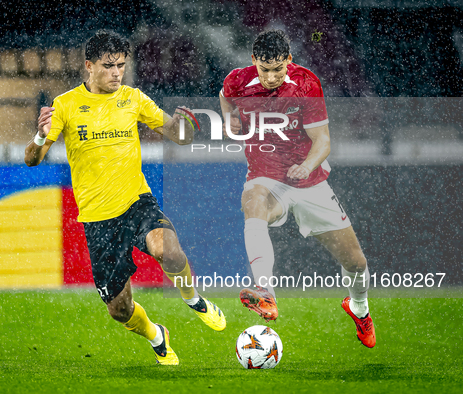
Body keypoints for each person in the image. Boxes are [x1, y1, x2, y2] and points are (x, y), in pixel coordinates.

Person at [25, 30, 226, 365]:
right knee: (120, 310)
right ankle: (156, 334)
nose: (117, 72)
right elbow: (32, 159)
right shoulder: (66, 105)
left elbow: (179, 136)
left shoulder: (134, 98)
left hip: (137, 202)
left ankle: (194, 300)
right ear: (89, 66)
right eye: (108, 66)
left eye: (121, 65)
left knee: (170, 251)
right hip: (98, 219)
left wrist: (187, 126)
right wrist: (40, 134)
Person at [219, 29, 375, 348]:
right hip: (267, 176)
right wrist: (229, 118)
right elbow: (224, 96)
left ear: (289, 61)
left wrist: (306, 165)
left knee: (356, 263)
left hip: (308, 179)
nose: (272, 76)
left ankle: (359, 308)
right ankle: (265, 293)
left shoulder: (306, 83)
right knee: (253, 200)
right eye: (265, 69)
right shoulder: (237, 80)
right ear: (254, 62)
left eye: (279, 69)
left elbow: (323, 141)